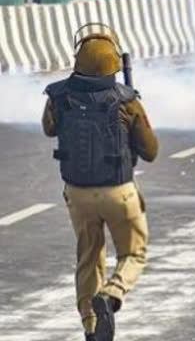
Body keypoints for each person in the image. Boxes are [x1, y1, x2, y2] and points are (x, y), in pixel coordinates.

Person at [42, 26, 158, 341]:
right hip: (118, 190)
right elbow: (151, 151)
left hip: (77, 192)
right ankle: (112, 294)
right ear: (113, 65)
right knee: (133, 253)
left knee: (89, 256)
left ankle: (91, 327)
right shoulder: (126, 100)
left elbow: (49, 129)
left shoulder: (58, 95)